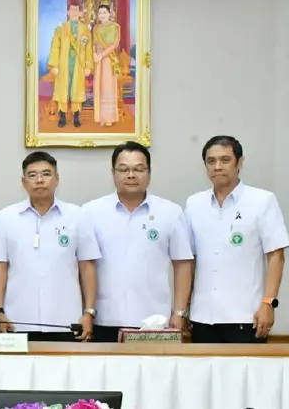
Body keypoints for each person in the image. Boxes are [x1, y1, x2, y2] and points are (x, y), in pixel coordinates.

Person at [82, 142, 194, 342]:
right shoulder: (90, 212)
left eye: (138, 169)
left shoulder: (170, 212)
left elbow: (183, 264)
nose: (131, 175)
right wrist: (87, 312)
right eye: (123, 169)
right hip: (104, 319)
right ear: (113, 173)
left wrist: (179, 312)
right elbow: (84, 266)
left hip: (155, 321)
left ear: (149, 173)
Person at [183, 136, 288, 343]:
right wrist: (184, 308)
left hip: (246, 317)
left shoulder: (262, 200)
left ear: (239, 163)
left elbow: (276, 256)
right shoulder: (194, 204)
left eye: (225, 160)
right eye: (211, 161)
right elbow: (190, 260)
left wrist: (268, 303)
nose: (218, 166)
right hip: (202, 316)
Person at [0, 151, 99, 341]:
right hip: (17, 322)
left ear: (57, 179)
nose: (39, 180)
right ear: (23, 182)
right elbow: (0, 269)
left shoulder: (77, 216)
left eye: (46, 174)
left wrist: (89, 313)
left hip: (67, 321)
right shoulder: (6, 218)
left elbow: (87, 268)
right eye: (32, 175)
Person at [47, 2, 94, 128]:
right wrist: (54, 65)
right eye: (71, 10)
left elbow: (89, 49)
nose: (74, 13)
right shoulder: (61, 29)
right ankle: (62, 116)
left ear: (80, 13)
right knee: (63, 90)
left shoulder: (85, 30)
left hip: (79, 64)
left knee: (76, 90)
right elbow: (55, 47)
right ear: (68, 12)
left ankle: (76, 116)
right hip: (64, 64)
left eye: (76, 10)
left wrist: (89, 66)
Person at [92, 4, 121, 127]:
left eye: (104, 12)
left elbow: (114, 44)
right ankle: (101, 117)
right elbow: (94, 43)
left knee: (108, 89)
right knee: (99, 87)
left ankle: (109, 117)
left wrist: (102, 55)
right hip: (98, 60)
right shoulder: (96, 28)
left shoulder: (115, 27)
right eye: (100, 13)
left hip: (108, 59)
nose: (102, 15)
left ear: (109, 14)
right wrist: (94, 54)